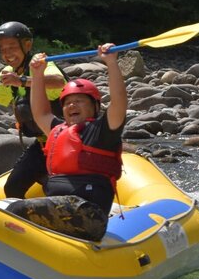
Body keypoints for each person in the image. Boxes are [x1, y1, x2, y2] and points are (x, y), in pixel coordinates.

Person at [27, 43, 126, 218]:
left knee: (19, 210)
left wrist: (111, 63)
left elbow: (119, 103)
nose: (72, 105)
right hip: (57, 204)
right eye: (67, 102)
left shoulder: (102, 131)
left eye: (79, 100)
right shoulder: (58, 130)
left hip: (89, 209)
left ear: (95, 107)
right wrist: (37, 74)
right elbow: (40, 113)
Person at [0, 21, 66, 198]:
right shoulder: (8, 74)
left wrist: (23, 80)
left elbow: (58, 82)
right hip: (43, 145)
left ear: (27, 45)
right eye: (3, 49)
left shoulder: (39, 64)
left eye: (12, 47)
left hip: (67, 143)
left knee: (57, 189)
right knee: (13, 188)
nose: (7, 53)